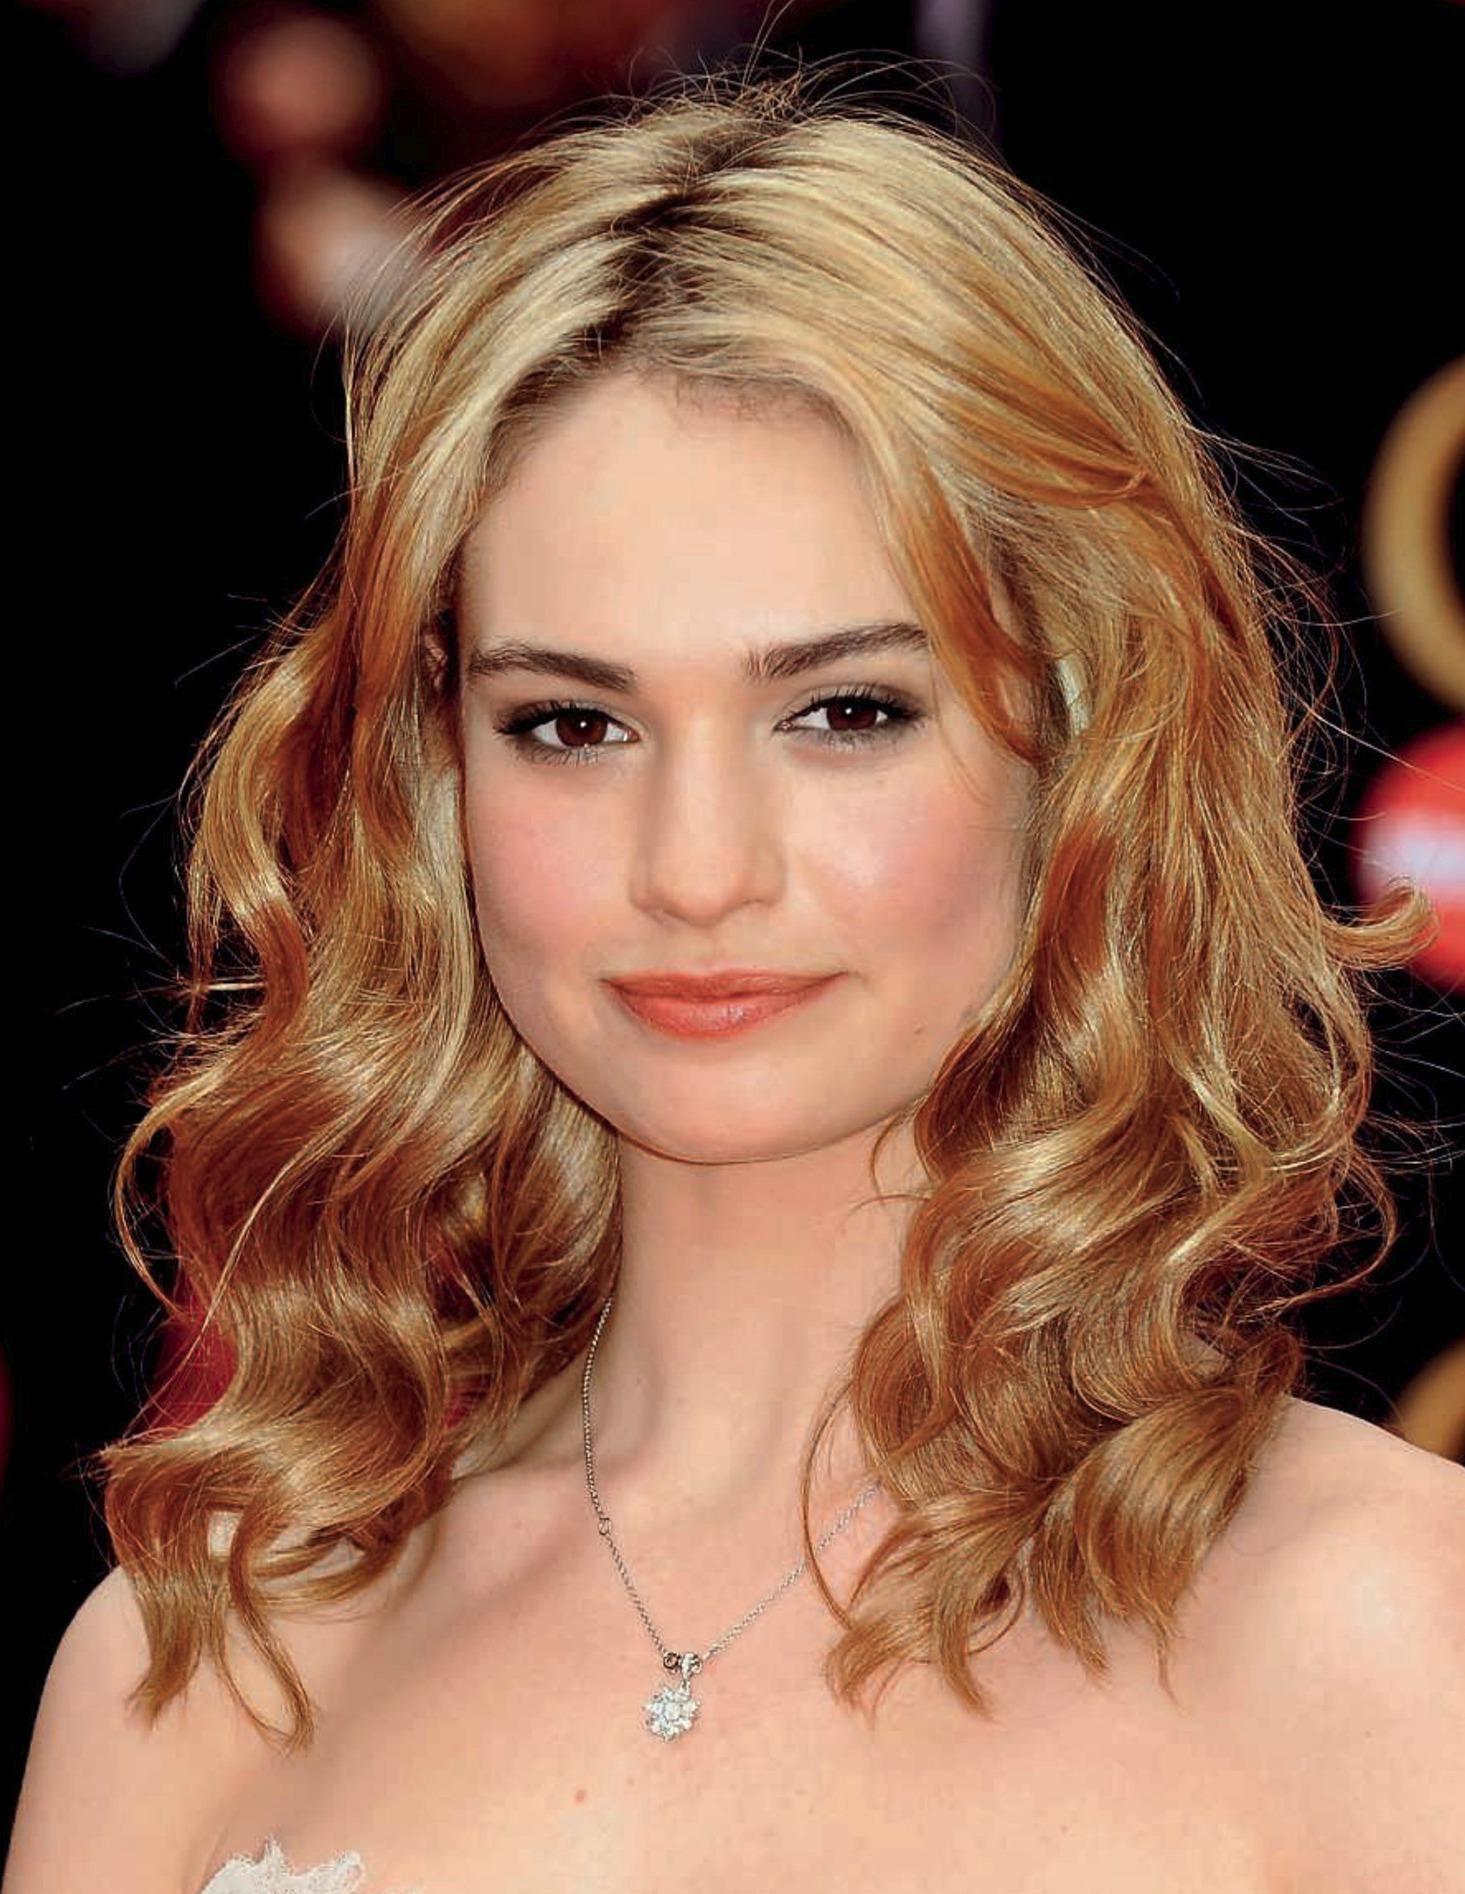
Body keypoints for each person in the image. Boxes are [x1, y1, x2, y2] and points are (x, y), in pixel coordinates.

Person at [8, 62, 1463, 1894]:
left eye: (842, 711)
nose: (696, 868)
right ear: (431, 773)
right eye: (572, 722)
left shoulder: (1382, 1635)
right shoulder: (203, 1665)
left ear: (1078, 741)